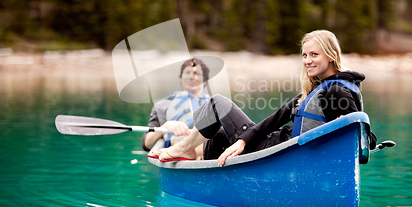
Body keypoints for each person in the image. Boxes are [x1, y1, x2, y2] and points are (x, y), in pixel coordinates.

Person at [151, 30, 377, 165]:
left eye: (314, 54)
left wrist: (365, 142)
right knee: (218, 135)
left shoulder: (334, 91)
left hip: (276, 152)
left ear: (330, 55)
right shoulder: (317, 90)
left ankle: (183, 150)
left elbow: (362, 134)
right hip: (273, 146)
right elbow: (275, 119)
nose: (307, 60)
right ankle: (198, 160)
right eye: (305, 55)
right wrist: (242, 140)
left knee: (216, 103)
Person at [141, 57, 211, 152]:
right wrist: (166, 126)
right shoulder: (163, 106)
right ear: (181, 77)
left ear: (205, 80)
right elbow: (146, 144)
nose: (191, 77)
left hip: (211, 152)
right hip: (177, 152)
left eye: (196, 73)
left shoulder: (216, 106)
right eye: (187, 73)